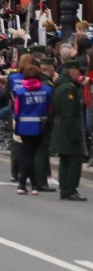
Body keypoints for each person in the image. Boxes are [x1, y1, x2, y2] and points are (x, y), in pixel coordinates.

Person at [11, 61, 53, 194]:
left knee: (29, 155)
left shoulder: (20, 92)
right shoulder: (47, 91)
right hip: (40, 127)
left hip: (24, 127)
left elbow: (17, 111)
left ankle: (24, 184)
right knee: (32, 156)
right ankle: (31, 185)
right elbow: (49, 109)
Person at [51, 59, 86, 201]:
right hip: (67, 128)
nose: (79, 74)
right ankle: (70, 189)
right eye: (78, 71)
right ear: (72, 70)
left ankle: (65, 189)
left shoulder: (62, 85)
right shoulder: (68, 88)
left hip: (61, 127)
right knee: (75, 158)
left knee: (65, 159)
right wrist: (74, 135)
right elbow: (69, 113)